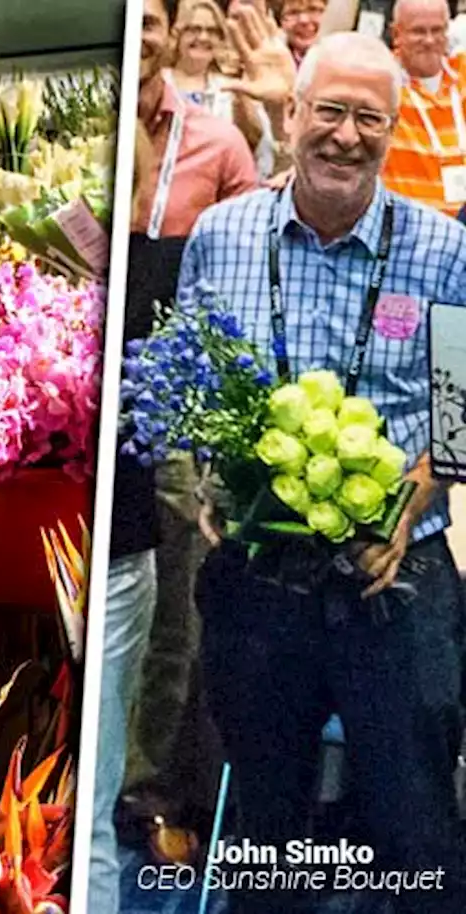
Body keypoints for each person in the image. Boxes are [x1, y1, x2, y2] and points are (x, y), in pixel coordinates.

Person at [179, 31, 466, 913]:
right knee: (262, 825)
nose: (346, 136)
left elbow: (460, 419)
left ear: (394, 126)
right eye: (330, 112)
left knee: (415, 821)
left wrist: (407, 505)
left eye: (369, 118)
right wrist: (205, 483)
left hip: (396, 584)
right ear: (293, 115)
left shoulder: (442, 249)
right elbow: (189, 380)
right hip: (259, 588)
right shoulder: (221, 236)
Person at [88, 2, 260, 909]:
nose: (143, 29)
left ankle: (145, 786)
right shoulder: (82, 133)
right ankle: (96, 765)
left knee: (175, 598)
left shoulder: (219, 144)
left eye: (151, 15)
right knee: (99, 595)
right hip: (79, 393)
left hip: (173, 403)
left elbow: (238, 269)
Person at [166, 0, 279, 176]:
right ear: (178, 35)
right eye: (194, 29)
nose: (203, 37)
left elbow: (260, 147)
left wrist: (241, 103)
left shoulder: (232, 86)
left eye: (212, 31)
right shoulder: (159, 82)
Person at [383, 0, 466, 217]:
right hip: (412, 233)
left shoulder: (463, 74)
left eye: (437, 30)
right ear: (396, 34)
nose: (429, 40)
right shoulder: (382, 83)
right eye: (418, 31)